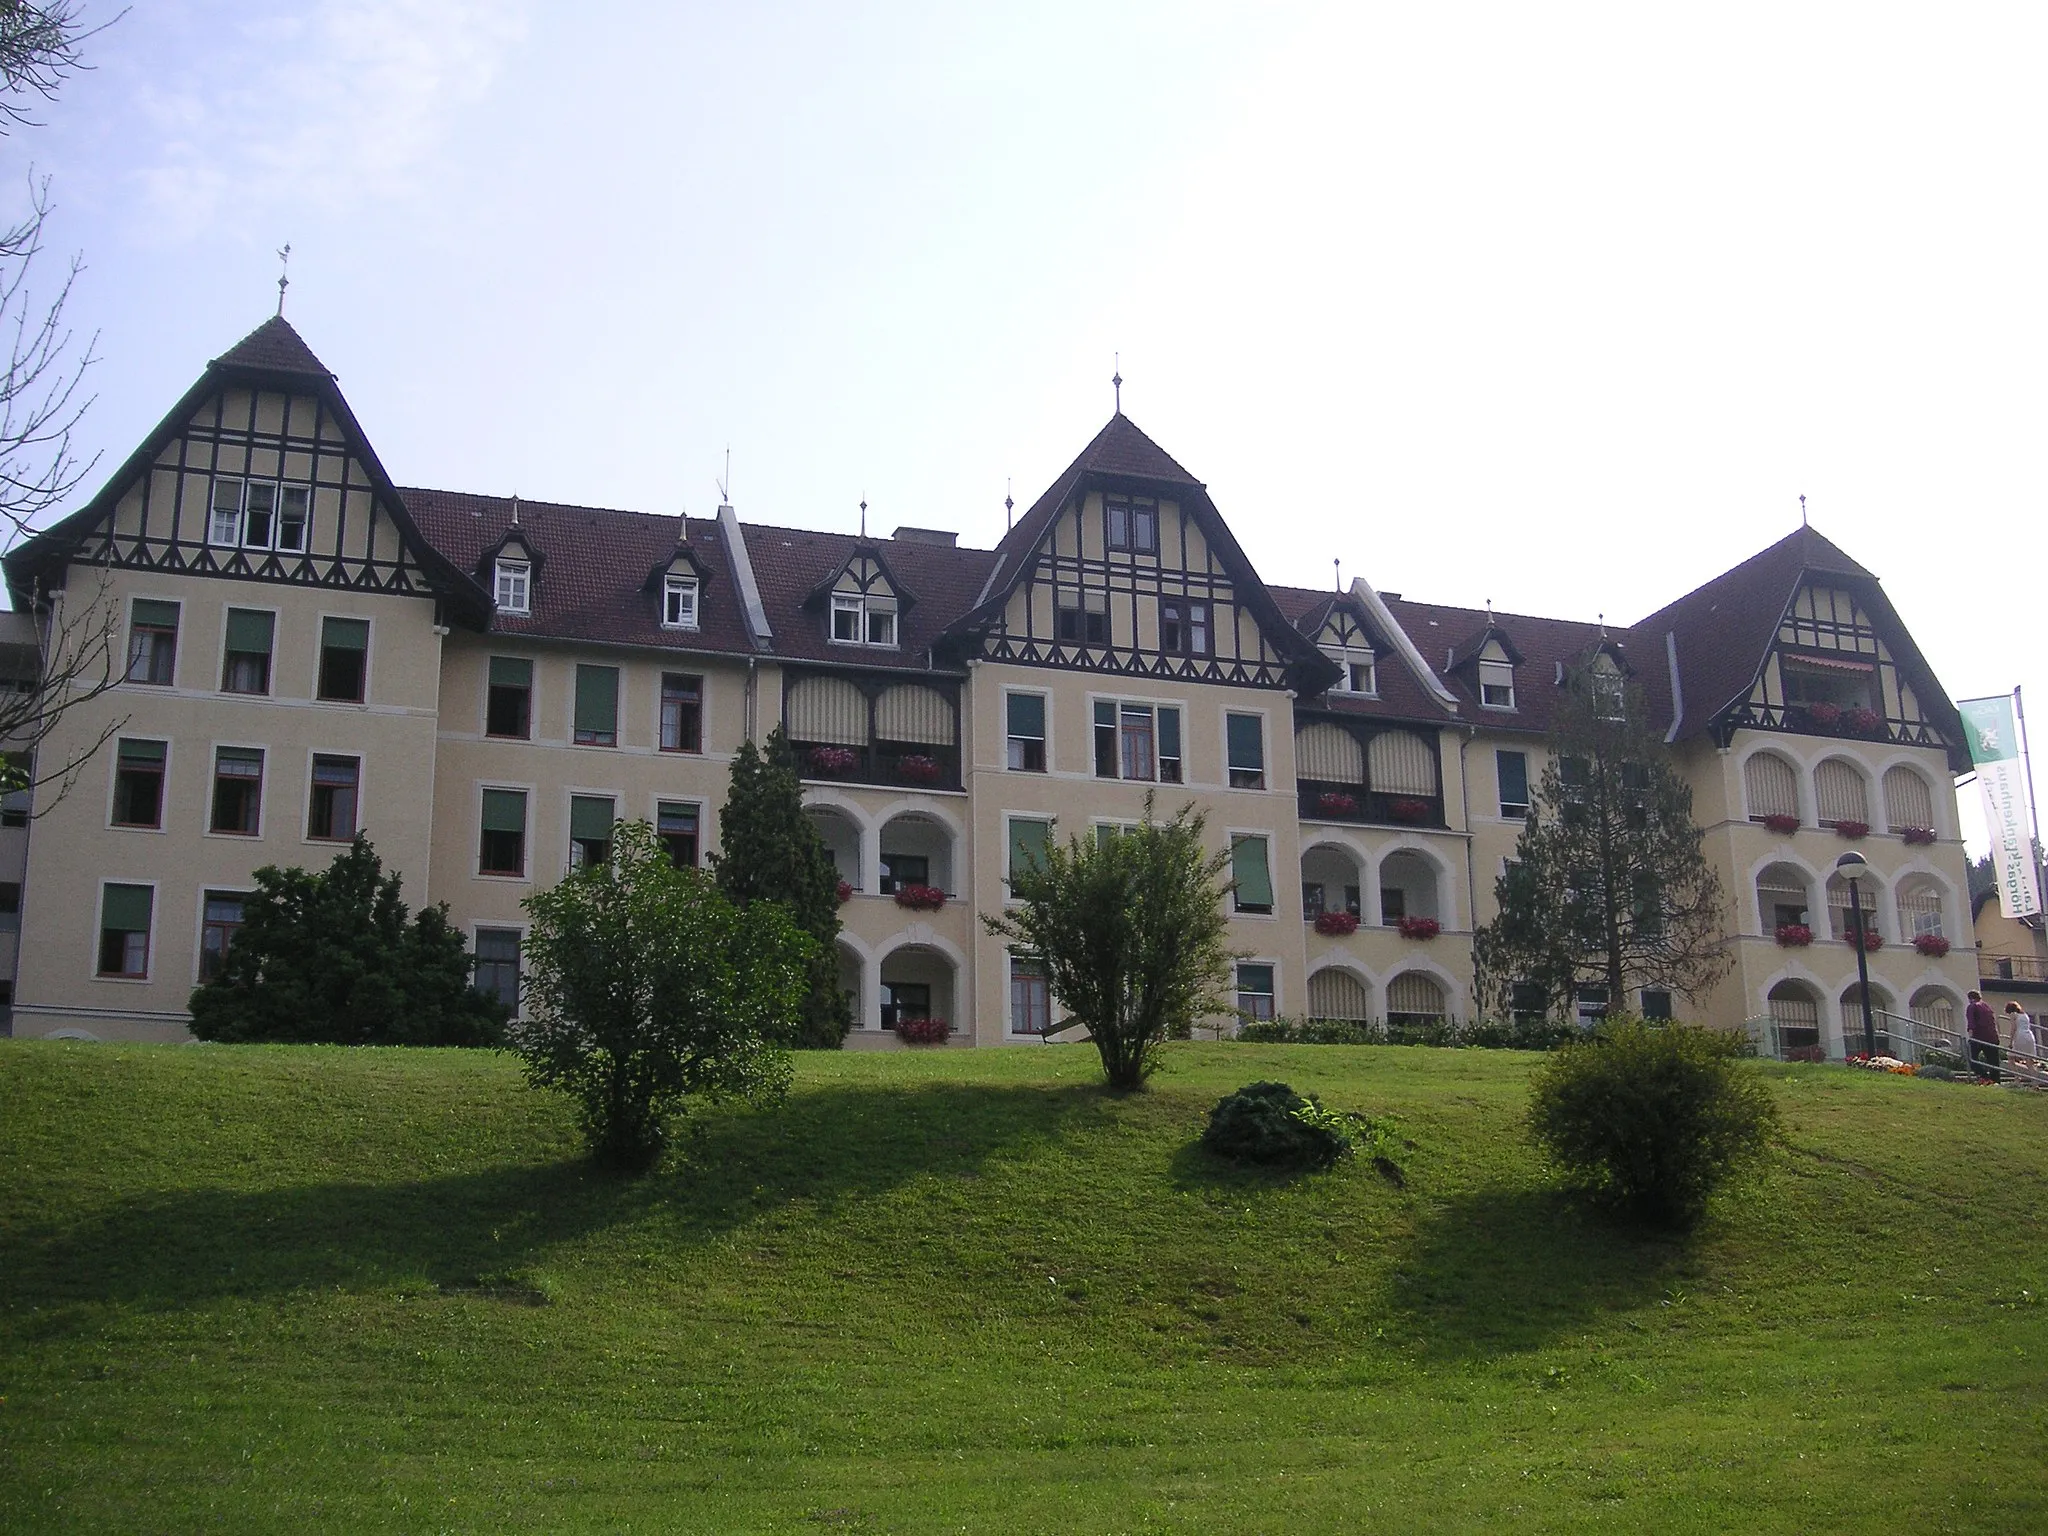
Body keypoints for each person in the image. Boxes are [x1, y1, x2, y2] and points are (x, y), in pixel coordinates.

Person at [1965, 990, 2002, 1081]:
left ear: (1970, 998)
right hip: (1992, 1037)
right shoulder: (1987, 1007)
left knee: (1970, 1056)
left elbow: (1971, 1023)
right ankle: (1995, 1080)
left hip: (1979, 1037)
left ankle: (1984, 1075)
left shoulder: (1972, 1006)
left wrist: (1971, 1036)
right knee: (1993, 1061)